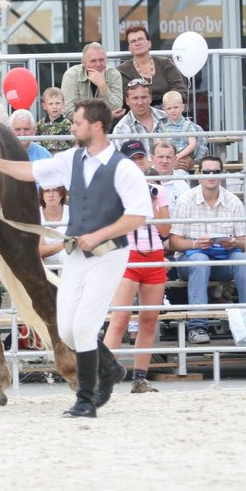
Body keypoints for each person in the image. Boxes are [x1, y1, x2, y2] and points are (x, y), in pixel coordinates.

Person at [0, 98, 152, 419]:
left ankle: (87, 398)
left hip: (109, 254)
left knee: (82, 327)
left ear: (96, 126)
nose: (72, 128)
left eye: (78, 123)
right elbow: (31, 171)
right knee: (66, 329)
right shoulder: (72, 159)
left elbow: (138, 215)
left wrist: (99, 234)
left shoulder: (123, 168)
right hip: (78, 254)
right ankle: (108, 367)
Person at [103, 153, 171, 395]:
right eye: (133, 159)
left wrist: (151, 203)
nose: (138, 163)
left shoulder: (157, 191)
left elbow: (165, 230)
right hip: (127, 254)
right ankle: (105, 378)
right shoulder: (116, 190)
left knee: (149, 319)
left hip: (154, 255)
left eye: (141, 158)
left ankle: (140, 379)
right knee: (120, 318)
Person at [169, 156, 246, 344]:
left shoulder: (234, 201)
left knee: (242, 259)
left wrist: (234, 243)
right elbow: (174, 242)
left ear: (222, 175)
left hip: (223, 260)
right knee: (199, 259)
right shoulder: (185, 200)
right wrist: (195, 244)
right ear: (199, 175)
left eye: (215, 172)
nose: (211, 176)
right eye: (206, 172)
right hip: (192, 262)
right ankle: (197, 325)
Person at [116, 25, 186, 106]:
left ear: (149, 43)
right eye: (133, 41)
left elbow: (179, 90)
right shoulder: (123, 70)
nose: (137, 43)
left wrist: (166, 106)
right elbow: (126, 99)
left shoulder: (166, 64)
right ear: (129, 48)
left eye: (141, 39)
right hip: (139, 112)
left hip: (168, 111)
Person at [112, 83, 175, 167]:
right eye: (135, 98)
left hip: (172, 174)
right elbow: (124, 164)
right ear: (127, 101)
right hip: (139, 177)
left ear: (150, 98)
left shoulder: (168, 117)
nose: (140, 102)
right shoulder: (120, 129)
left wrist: (188, 160)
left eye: (144, 97)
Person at [60, 42, 124, 119]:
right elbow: (68, 112)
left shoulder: (114, 75)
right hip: (79, 127)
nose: (98, 64)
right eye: (93, 61)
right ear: (83, 63)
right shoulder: (71, 75)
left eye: (101, 60)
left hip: (107, 126)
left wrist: (102, 86)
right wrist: (105, 116)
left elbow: (117, 109)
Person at [159, 90, 203, 168]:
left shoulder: (187, 125)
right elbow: (159, 142)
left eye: (176, 107)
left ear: (182, 107)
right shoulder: (163, 126)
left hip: (183, 158)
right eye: (169, 108)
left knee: (180, 174)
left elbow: (192, 144)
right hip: (167, 157)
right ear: (164, 110)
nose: (173, 111)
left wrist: (179, 155)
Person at [150, 140, 191, 205]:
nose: (164, 161)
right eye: (160, 157)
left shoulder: (183, 186)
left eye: (168, 157)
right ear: (152, 158)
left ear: (175, 159)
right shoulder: (142, 181)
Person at [36, 87, 73, 153]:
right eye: (50, 104)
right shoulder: (40, 124)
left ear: (63, 104)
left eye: (57, 103)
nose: (54, 107)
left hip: (62, 156)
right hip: (46, 157)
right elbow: (35, 141)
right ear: (44, 106)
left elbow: (74, 142)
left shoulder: (67, 124)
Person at [38, 186, 68, 268]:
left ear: (62, 194)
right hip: (44, 265)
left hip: (69, 259)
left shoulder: (72, 213)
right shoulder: (36, 215)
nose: (51, 195)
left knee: (67, 256)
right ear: (42, 195)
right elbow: (40, 251)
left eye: (54, 190)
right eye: (47, 191)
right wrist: (65, 243)